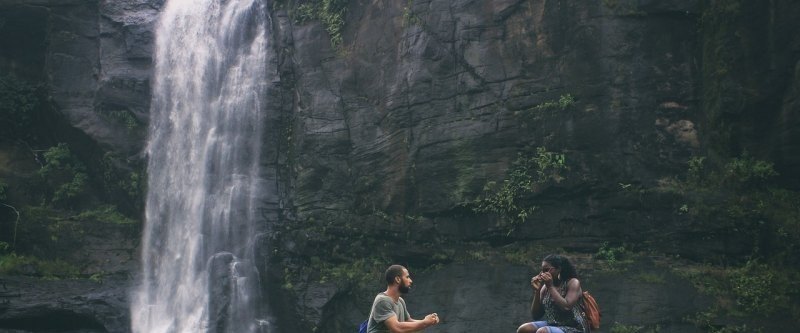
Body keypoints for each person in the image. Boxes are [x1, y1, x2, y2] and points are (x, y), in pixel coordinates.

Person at [516, 254, 589, 333]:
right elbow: (536, 315)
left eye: (546, 270)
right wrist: (537, 291)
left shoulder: (572, 283)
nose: (542, 274)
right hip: (553, 324)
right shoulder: (545, 288)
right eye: (542, 271)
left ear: (559, 269)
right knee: (524, 329)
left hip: (574, 327)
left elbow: (566, 307)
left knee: (543, 331)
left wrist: (551, 287)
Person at [366, 264, 440, 333]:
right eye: (407, 277)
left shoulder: (400, 301)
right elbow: (397, 328)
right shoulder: (382, 300)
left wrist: (428, 322)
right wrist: (424, 322)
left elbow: (408, 322)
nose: (410, 281)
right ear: (398, 279)